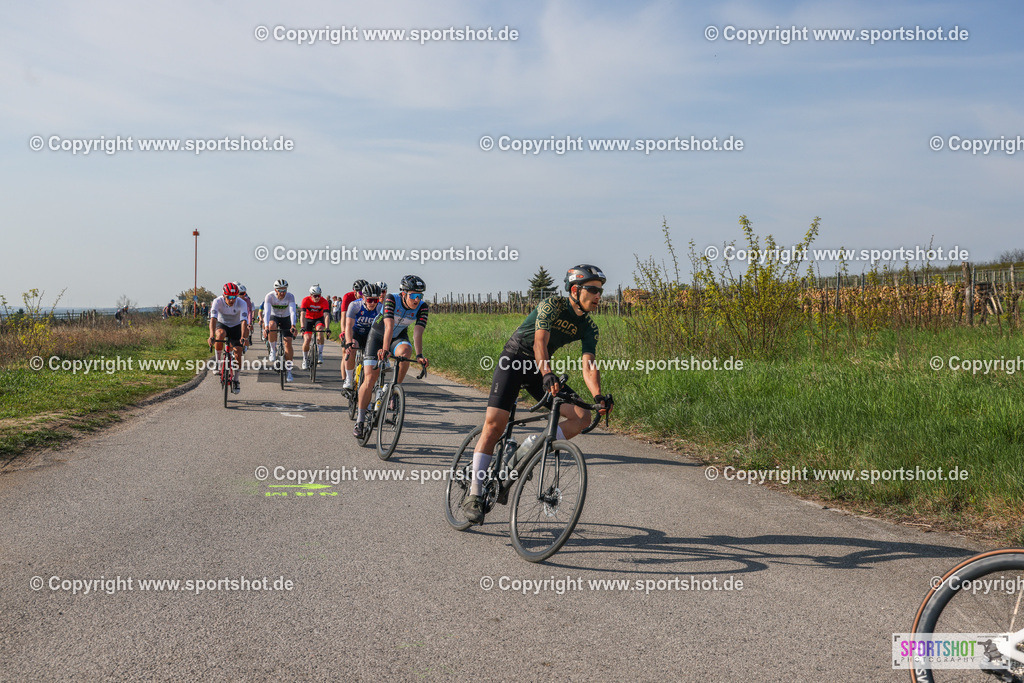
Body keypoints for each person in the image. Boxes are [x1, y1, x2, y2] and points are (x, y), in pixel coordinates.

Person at [461, 264, 613, 524]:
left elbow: (588, 363)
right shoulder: (551, 305)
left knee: (582, 416)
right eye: (593, 290)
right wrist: (546, 374)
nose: (599, 295)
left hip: (541, 368)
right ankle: (474, 493)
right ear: (575, 290)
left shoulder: (589, 326)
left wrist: (598, 396)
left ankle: (534, 442)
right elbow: (539, 342)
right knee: (495, 425)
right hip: (515, 360)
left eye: (601, 290)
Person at [354, 275, 428, 439]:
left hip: (398, 337)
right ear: (404, 293)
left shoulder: (422, 307)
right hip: (378, 335)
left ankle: (394, 389)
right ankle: (360, 421)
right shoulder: (391, 299)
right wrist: (385, 350)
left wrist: (420, 355)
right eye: (414, 295)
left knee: (405, 353)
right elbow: (388, 326)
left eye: (420, 295)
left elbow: (417, 332)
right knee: (370, 378)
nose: (417, 299)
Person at [209, 283, 250, 394]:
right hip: (222, 324)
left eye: (234, 297)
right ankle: (218, 363)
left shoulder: (241, 303)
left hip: (236, 326)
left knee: (238, 352)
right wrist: (211, 335)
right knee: (220, 334)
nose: (231, 300)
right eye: (229, 297)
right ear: (224, 295)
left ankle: (236, 380)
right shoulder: (217, 301)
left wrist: (243, 337)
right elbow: (213, 319)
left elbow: (244, 321)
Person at [341, 283, 382, 390]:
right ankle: (349, 379)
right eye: (369, 300)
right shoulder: (354, 306)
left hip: (371, 334)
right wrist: (348, 342)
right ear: (363, 297)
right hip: (356, 332)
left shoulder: (380, 308)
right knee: (352, 347)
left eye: (375, 300)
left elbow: (383, 329)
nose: (373, 303)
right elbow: (348, 326)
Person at [264, 279, 297, 382]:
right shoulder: (269, 296)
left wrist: (293, 325)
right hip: (275, 316)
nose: (282, 293)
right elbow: (267, 312)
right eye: (280, 290)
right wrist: (266, 327)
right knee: (272, 325)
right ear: (275, 290)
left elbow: (292, 311)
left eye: (284, 290)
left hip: (286, 318)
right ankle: (273, 350)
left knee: (288, 344)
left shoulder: (290, 296)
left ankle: (289, 371)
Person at [338, 279, 367, 374]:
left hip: (362, 325)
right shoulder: (347, 297)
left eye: (364, 292)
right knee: (346, 351)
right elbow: (343, 316)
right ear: (354, 291)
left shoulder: (367, 298)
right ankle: (345, 378)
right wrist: (343, 332)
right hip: (350, 325)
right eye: (360, 292)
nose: (362, 295)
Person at [299, 284, 332, 369]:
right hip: (308, 319)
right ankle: (305, 359)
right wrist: (302, 326)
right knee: (307, 339)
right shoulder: (305, 300)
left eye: (319, 295)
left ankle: (320, 354)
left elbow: (326, 315)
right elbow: (302, 314)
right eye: (315, 296)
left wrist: (327, 328)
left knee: (320, 330)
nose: (317, 298)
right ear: (311, 295)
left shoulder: (324, 301)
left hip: (319, 319)